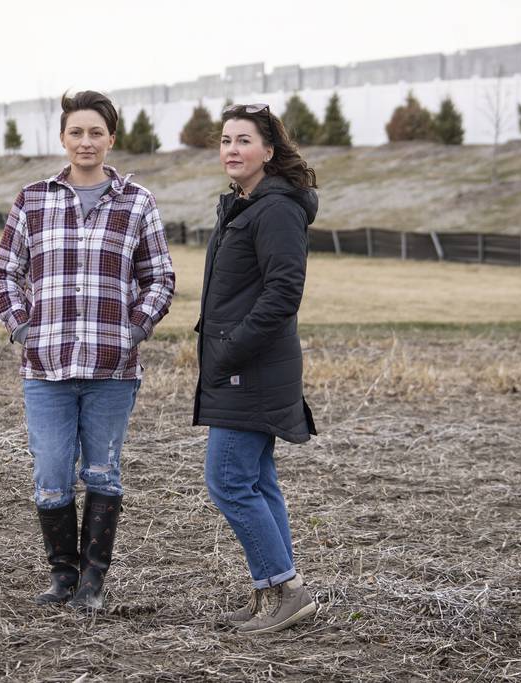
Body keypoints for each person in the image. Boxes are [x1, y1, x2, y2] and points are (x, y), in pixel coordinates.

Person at [0, 90, 175, 610]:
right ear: (63, 138)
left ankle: (93, 583)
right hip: (45, 367)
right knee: (51, 475)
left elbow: (159, 276)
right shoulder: (33, 199)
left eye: (96, 132)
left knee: (102, 473)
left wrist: (134, 330)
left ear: (111, 139)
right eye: (77, 132)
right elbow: (4, 272)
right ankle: (62, 577)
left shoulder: (137, 202)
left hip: (112, 370)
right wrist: (23, 327)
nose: (86, 141)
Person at [194, 103, 319, 634]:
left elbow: (283, 292)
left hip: (253, 368)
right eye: (225, 140)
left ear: (269, 150)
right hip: (243, 365)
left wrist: (231, 350)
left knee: (227, 481)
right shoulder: (245, 205)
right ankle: (271, 590)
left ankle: (287, 590)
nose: (231, 150)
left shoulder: (276, 209)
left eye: (243, 140)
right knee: (258, 481)